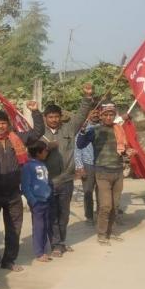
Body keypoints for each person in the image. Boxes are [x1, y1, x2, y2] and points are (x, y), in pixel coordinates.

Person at [0, 102, 45, 272]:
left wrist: (36, 112)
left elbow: (38, 132)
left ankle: (9, 260)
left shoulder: (16, 137)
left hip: (13, 193)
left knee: (14, 229)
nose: (0, 126)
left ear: (8, 124)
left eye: (3, 123)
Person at [40, 84, 95, 256]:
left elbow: (81, 115)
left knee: (64, 214)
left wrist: (87, 97)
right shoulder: (39, 133)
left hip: (66, 180)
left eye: (57, 116)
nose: (54, 119)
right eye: (51, 117)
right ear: (45, 118)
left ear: (61, 117)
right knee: (52, 214)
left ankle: (60, 242)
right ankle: (55, 244)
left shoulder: (69, 128)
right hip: (48, 182)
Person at [76, 102, 134, 245]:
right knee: (105, 205)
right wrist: (83, 130)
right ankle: (101, 234)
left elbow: (122, 149)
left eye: (111, 114)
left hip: (118, 171)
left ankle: (111, 231)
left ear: (114, 116)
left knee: (115, 205)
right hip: (102, 172)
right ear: (101, 116)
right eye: (106, 114)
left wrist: (128, 152)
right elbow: (80, 144)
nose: (109, 117)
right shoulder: (94, 130)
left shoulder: (119, 129)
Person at [21, 141, 53, 263]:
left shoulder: (42, 164)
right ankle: (39, 252)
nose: (47, 152)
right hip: (37, 202)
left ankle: (43, 249)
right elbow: (25, 187)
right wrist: (33, 201)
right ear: (38, 152)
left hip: (46, 200)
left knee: (45, 226)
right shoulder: (28, 167)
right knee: (39, 227)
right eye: (45, 151)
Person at [74, 114, 98, 225]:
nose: (95, 115)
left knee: (102, 192)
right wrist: (80, 167)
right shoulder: (82, 129)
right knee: (88, 192)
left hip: (101, 164)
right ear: (88, 115)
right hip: (87, 164)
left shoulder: (102, 127)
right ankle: (89, 217)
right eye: (93, 113)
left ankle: (101, 214)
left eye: (97, 113)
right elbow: (77, 150)